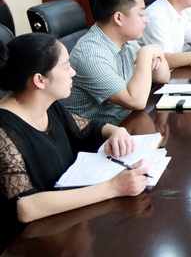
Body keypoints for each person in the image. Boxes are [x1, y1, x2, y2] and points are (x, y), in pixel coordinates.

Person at [0, 33, 149, 251]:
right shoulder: (4, 129)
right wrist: (113, 187)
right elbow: (25, 207)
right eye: (66, 67)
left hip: (66, 218)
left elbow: (88, 128)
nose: (73, 72)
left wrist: (117, 131)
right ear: (40, 80)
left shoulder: (49, 104)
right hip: (32, 241)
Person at [63, 0, 170, 132]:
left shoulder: (126, 40)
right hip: (99, 135)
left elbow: (162, 77)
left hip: (128, 122)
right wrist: (146, 53)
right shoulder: (91, 56)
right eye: (141, 14)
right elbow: (136, 101)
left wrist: (155, 50)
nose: (145, 19)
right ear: (119, 18)